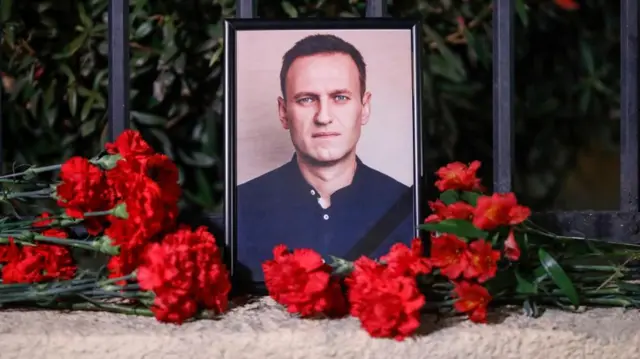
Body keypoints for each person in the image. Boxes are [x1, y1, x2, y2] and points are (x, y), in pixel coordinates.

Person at [236, 34, 415, 281]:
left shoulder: (408, 209)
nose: (323, 117)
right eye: (306, 99)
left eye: (340, 97)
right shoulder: (241, 207)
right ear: (283, 112)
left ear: (364, 108)